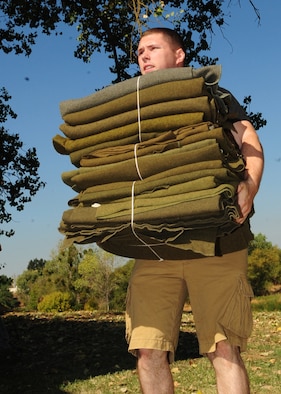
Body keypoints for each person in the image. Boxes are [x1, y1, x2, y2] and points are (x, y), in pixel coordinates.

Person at [125, 28, 264, 394]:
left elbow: (248, 139)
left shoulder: (213, 94)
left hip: (217, 238)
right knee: (148, 349)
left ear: (179, 55)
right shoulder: (131, 105)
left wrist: (249, 185)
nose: (143, 55)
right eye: (139, 51)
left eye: (153, 48)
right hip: (154, 247)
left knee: (223, 348)